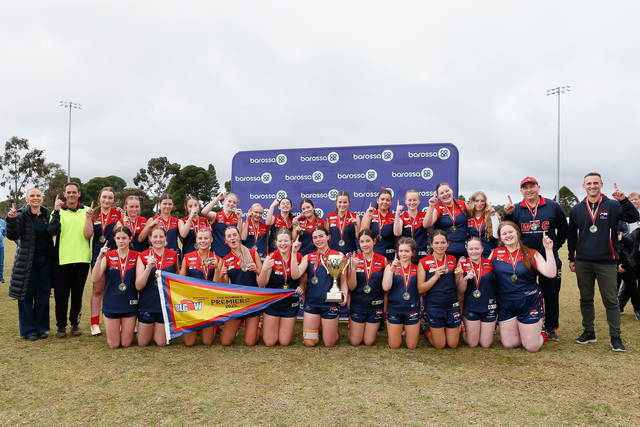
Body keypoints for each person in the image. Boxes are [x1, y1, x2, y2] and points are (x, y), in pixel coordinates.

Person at [568, 174, 639, 352]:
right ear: (583, 186)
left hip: (607, 261)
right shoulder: (577, 209)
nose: (592, 186)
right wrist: (571, 258)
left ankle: (616, 337)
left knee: (611, 300)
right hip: (583, 261)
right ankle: (589, 332)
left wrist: (624, 200)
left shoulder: (613, 205)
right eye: (589, 183)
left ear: (601, 185)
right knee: (586, 298)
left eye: (595, 183)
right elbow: (572, 236)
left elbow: (633, 217)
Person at [503, 177, 567, 341]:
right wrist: (507, 214)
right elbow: (506, 229)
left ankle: (551, 327)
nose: (529, 190)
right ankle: (525, 322)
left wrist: (554, 247)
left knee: (551, 294)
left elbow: (564, 229)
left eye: (532, 186)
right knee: (524, 292)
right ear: (521, 191)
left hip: (547, 256)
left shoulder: (553, 206)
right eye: (525, 188)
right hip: (524, 258)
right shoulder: (516, 208)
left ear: (539, 187)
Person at [491, 221, 557, 353]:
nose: (508, 235)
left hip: (529, 301)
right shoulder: (495, 253)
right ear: (500, 237)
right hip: (506, 303)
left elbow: (550, 273)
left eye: (511, 232)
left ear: (517, 233)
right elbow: (483, 271)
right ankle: (525, 330)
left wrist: (548, 249)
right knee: (510, 344)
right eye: (504, 233)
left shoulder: (531, 253)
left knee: (532, 347)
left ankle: (541, 332)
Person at [6, 189, 58, 340]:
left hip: (46, 260)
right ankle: (28, 330)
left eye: (38, 196)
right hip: (27, 261)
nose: (36, 198)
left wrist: (56, 212)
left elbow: (54, 232)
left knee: (43, 295)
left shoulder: (47, 214)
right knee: (26, 296)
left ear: (42, 198)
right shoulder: (21, 215)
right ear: (27, 199)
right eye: (32, 196)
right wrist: (11, 220)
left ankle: (41, 328)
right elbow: (13, 235)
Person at [291, 226, 347, 347]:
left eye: (321, 236)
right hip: (312, 303)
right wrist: (294, 253)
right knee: (309, 343)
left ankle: (332, 330)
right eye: (315, 237)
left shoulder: (338, 255)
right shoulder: (308, 257)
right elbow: (295, 275)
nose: (318, 240)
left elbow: (343, 281)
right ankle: (321, 327)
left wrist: (345, 293)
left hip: (331, 303)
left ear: (328, 237)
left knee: (329, 343)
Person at [51, 182, 93, 338]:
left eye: (74, 192)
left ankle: (75, 324)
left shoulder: (87, 210)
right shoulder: (57, 211)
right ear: (64, 194)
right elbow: (53, 231)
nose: (71, 195)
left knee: (77, 294)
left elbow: (90, 233)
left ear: (79, 194)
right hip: (62, 260)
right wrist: (56, 211)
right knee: (61, 295)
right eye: (68, 192)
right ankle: (61, 326)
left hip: (82, 259)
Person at [91, 226, 138, 349]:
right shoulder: (108, 256)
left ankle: (128, 329)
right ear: (114, 239)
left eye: (124, 238)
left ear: (130, 239)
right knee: (114, 345)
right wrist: (99, 257)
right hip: (111, 304)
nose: (121, 241)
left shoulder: (137, 256)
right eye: (118, 238)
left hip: (130, 304)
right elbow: (95, 278)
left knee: (126, 343)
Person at [417, 230, 463, 350]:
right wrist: (435, 276)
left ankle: (448, 329)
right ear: (431, 245)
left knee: (452, 345)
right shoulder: (423, 262)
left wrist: (458, 277)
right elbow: (421, 289)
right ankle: (427, 332)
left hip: (452, 304)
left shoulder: (452, 259)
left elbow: (454, 284)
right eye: (436, 243)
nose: (440, 246)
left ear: (448, 244)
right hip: (434, 306)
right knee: (440, 345)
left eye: (443, 242)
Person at [257, 229, 302, 347]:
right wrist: (265, 269)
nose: (283, 244)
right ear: (276, 243)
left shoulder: (298, 256)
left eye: (286, 241)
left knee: (284, 342)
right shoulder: (271, 256)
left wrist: (301, 286)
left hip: (290, 302)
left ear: (291, 242)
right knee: (270, 342)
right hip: (273, 302)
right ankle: (260, 326)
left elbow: (303, 278)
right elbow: (261, 284)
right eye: (280, 241)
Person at [135, 226, 179, 347]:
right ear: (150, 238)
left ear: (165, 238)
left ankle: (157, 329)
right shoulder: (142, 255)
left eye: (161, 236)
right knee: (143, 343)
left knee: (161, 343)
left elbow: (178, 279)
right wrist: (148, 268)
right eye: (155, 236)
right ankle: (146, 329)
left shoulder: (173, 255)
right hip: (147, 303)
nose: (158, 239)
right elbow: (138, 286)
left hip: (165, 305)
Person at [219, 226, 263, 346]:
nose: (232, 238)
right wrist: (222, 275)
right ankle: (238, 324)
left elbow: (263, 278)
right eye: (229, 236)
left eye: (235, 235)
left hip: (253, 300)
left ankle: (258, 326)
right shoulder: (225, 259)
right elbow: (225, 285)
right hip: (236, 301)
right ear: (225, 240)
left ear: (239, 237)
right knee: (225, 342)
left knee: (250, 342)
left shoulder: (252, 253)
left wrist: (256, 270)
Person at [88, 187, 122, 336]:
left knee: (115, 290)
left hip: (115, 256)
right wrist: (88, 218)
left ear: (114, 200)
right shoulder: (93, 213)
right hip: (98, 255)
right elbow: (87, 234)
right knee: (97, 290)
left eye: (110, 198)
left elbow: (123, 232)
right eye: (104, 197)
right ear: (99, 198)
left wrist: (123, 219)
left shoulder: (118, 213)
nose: (107, 200)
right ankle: (94, 324)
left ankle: (117, 321)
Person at [180, 228, 222, 346]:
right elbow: (180, 281)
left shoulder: (217, 259)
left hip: (209, 302)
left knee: (207, 342)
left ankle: (214, 325)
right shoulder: (188, 257)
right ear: (196, 240)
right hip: (193, 302)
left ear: (211, 240)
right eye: (200, 238)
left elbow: (217, 285)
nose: (203, 241)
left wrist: (217, 267)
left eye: (206, 238)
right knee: (189, 343)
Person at [347, 229, 387, 346]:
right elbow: (351, 287)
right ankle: (352, 326)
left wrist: (384, 309)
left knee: (369, 342)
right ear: (359, 243)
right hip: (358, 305)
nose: (365, 245)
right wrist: (353, 268)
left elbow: (386, 289)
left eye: (368, 241)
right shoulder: (354, 259)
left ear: (374, 241)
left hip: (375, 306)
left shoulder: (382, 260)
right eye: (362, 242)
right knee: (355, 342)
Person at [458, 237, 497, 348]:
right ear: (467, 250)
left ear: (482, 249)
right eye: (471, 249)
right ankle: (463, 328)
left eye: (477, 248)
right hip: (471, 306)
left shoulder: (490, 263)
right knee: (473, 343)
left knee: (486, 344)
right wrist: (465, 279)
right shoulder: (462, 265)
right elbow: (460, 291)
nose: (474, 251)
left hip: (488, 306)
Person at [382, 237, 420, 349]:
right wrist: (391, 270)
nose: (403, 254)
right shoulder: (390, 267)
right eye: (401, 251)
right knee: (394, 346)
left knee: (412, 346)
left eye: (407, 251)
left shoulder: (417, 268)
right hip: (395, 309)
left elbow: (420, 291)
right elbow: (385, 287)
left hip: (412, 309)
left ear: (412, 253)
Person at [424, 182, 468, 260]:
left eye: (447, 191)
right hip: (445, 249)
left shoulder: (462, 204)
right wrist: (431, 206)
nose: (445, 194)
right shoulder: (438, 208)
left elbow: (475, 217)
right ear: (438, 196)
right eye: (441, 193)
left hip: (464, 249)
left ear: (452, 191)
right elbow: (426, 224)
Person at [139, 193, 184, 261]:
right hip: (157, 256)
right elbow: (140, 239)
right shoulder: (152, 220)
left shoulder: (177, 221)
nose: (167, 206)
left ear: (173, 205)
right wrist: (150, 226)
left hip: (173, 255)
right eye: (165, 204)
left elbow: (183, 241)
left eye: (170, 204)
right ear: (160, 204)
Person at [618, 191, 640, 316]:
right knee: (629, 281)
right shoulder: (624, 214)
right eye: (631, 200)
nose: (634, 201)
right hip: (628, 251)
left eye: (636, 199)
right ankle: (620, 305)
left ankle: (637, 308)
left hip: (638, 250)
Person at [202, 192, 243, 258]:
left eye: (234, 203)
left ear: (236, 205)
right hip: (217, 254)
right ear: (224, 202)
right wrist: (217, 199)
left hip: (232, 254)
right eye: (229, 201)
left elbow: (239, 235)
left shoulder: (237, 217)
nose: (231, 204)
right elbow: (204, 212)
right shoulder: (216, 215)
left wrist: (240, 218)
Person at [394, 190, 430, 262]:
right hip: (405, 255)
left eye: (415, 200)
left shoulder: (424, 216)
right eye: (409, 200)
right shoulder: (402, 217)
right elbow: (397, 233)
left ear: (419, 201)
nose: (412, 203)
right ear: (405, 201)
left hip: (421, 254)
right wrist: (397, 214)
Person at [361, 189, 396, 261]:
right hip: (372, 256)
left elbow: (397, 238)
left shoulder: (394, 217)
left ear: (391, 202)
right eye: (382, 199)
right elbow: (362, 234)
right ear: (377, 200)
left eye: (387, 200)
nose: (385, 202)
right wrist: (369, 216)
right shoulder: (369, 214)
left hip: (389, 256)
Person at [466, 191, 499, 258]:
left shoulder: (491, 216)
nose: (479, 203)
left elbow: (497, 235)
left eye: (482, 201)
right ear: (472, 202)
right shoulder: (468, 217)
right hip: (473, 255)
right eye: (477, 201)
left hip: (489, 254)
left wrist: (493, 216)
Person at [0, 217, 6, 283]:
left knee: (1, 262)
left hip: (1, 246)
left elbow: (4, 233)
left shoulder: (2, 222)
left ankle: (0, 278)